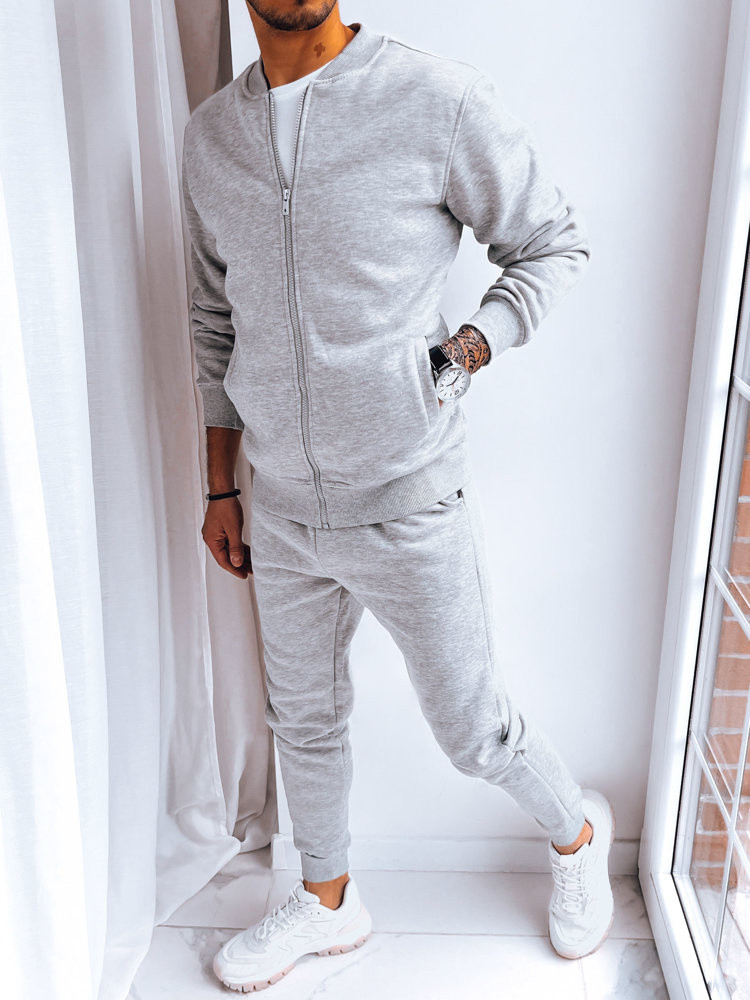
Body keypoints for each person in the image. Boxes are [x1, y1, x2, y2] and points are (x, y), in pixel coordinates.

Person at [180, 1, 614, 991]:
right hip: (280, 505)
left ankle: (579, 834)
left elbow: (553, 242)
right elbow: (212, 319)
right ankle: (328, 901)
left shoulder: (435, 100)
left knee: (474, 731)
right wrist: (220, 484)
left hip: (410, 498)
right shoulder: (211, 139)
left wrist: (466, 351)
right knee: (304, 721)